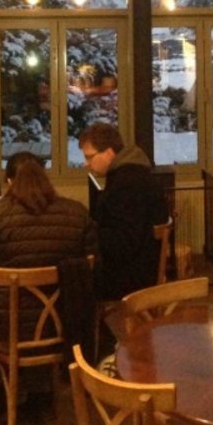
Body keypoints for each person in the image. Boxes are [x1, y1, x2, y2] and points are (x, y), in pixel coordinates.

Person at [0, 152, 97, 391]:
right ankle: (37, 386)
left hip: (7, 327)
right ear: (44, 179)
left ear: (10, 182)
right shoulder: (77, 212)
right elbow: (90, 265)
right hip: (65, 322)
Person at [78, 122, 168, 300]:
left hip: (130, 277)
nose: (86, 164)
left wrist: (87, 235)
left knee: (72, 281)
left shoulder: (127, 184)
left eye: (90, 157)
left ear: (110, 153)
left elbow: (124, 241)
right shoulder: (132, 173)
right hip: (141, 266)